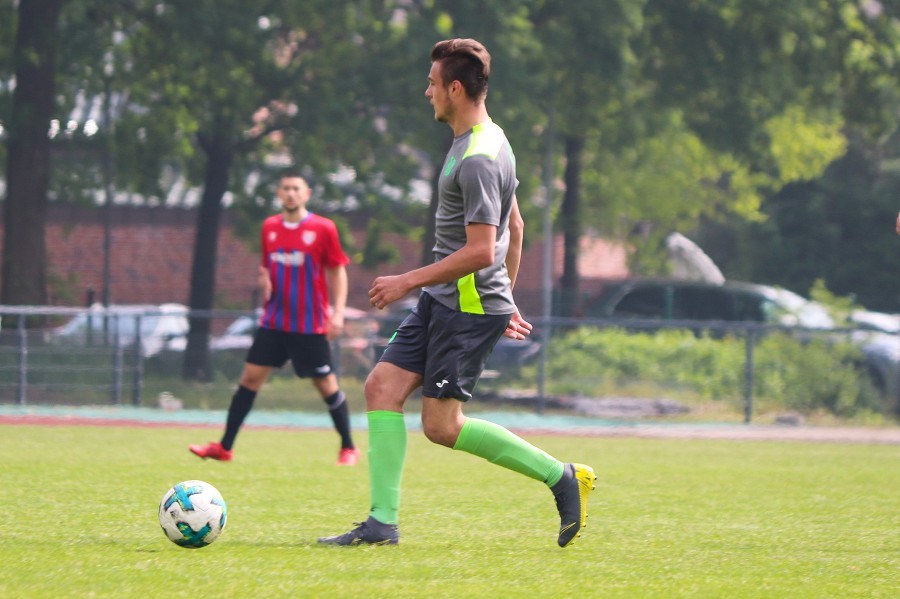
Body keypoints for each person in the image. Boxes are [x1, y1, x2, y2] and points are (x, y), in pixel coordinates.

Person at [318, 38, 596, 547]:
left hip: (466, 307)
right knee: (381, 387)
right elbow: (517, 224)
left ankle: (562, 476)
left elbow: (481, 250)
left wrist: (407, 280)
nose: (425, 92)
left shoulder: (479, 158)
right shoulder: (484, 138)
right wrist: (507, 297)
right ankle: (381, 524)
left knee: (442, 426)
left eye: (431, 84)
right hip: (449, 299)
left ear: (455, 88)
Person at [189, 173, 360, 466]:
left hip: (309, 324)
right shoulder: (269, 227)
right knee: (249, 380)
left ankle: (348, 446)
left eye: (296, 188)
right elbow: (267, 267)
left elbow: (337, 271)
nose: (291, 193)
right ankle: (225, 447)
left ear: (306, 193)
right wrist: (264, 279)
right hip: (274, 322)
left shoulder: (323, 228)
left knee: (326, 385)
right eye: (286, 188)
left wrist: (338, 311)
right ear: (279, 193)